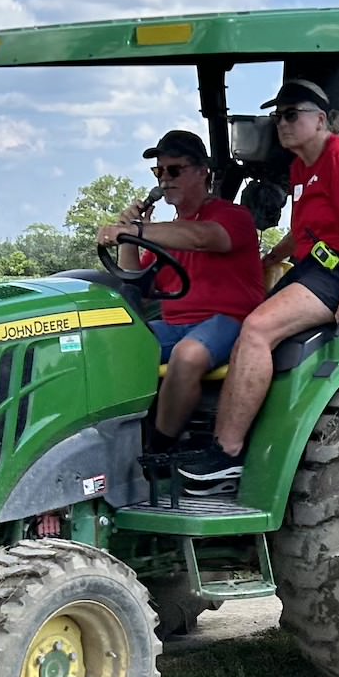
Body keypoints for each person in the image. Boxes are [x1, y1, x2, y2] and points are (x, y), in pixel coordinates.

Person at [175, 80, 339, 488]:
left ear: (321, 120)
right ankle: (224, 435)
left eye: (291, 114)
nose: (281, 123)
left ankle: (228, 453)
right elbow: (303, 233)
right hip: (319, 267)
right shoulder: (301, 167)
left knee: (258, 328)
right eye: (277, 116)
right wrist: (270, 258)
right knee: (247, 326)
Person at [94, 129, 264, 452]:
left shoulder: (233, 217)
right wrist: (127, 238)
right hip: (175, 325)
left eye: (174, 170)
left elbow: (202, 238)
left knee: (188, 355)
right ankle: (112, 442)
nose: (164, 179)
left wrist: (139, 230)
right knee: (113, 344)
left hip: (228, 321)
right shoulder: (167, 233)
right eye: (158, 171)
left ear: (202, 172)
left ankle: (159, 450)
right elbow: (138, 285)